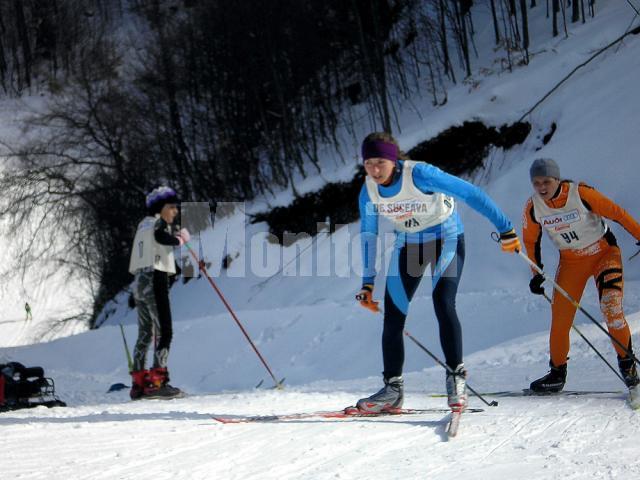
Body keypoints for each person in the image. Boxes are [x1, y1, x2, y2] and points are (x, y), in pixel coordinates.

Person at [355, 132, 520, 413]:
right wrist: (368, 283)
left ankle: (456, 378)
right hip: (410, 246)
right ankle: (392, 388)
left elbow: (471, 193)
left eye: (380, 162)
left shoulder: (420, 175)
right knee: (393, 314)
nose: (374, 169)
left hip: (447, 240)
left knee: (443, 301)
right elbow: (368, 234)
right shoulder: (369, 190)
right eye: (368, 163)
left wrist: (505, 228)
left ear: (393, 160)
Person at [522, 158, 640, 405]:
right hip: (571, 262)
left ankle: (630, 371)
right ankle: (556, 374)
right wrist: (536, 274)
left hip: (604, 253)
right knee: (561, 318)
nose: (542, 187)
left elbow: (616, 212)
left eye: (546, 181)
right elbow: (531, 241)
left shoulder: (580, 193)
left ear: (557, 179)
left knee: (611, 308)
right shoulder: (533, 207)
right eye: (536, 183)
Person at [128, 185, 190, 400]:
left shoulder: (143, 224)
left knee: (145, 333)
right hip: (155, 280)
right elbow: (161, 238)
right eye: (172, 207)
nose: (175, 211)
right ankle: (157, 382)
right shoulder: (156, 223)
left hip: (139, 283)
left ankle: (138, 383)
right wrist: (180, 240)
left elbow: (154, 242)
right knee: (165, 331)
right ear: (161, 207)